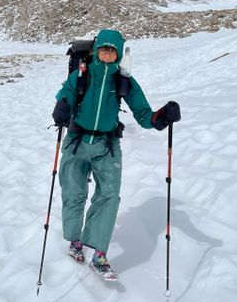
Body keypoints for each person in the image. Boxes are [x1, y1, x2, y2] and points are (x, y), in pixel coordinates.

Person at [52, 28, 181, 280]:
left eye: (112, 50)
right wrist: (62, 106)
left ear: (119, 53)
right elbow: (65, 93)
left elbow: (144, 115)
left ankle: (99, 254)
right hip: (76, 141)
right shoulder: (82, 74)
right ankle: (75, 242)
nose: (107, 54)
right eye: (104, 48)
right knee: (74, 193)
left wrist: (161, 117)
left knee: (109, 197)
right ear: (97, 49)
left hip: (107, 145)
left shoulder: (124, 81)